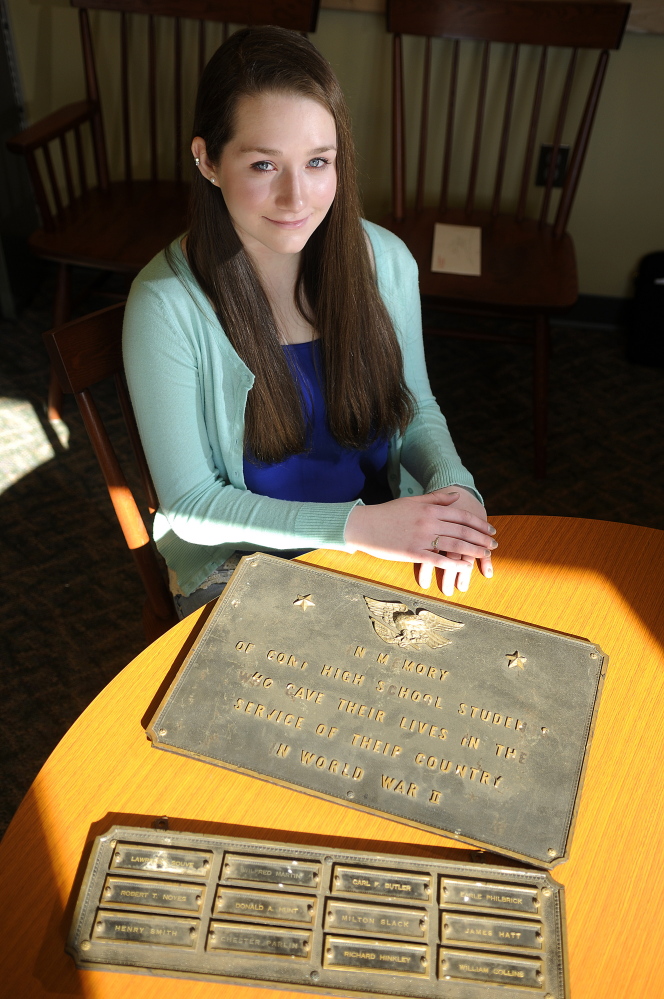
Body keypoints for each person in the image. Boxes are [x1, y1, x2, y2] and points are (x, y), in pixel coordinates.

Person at [123, 26, 497, 620]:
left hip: (379, 532)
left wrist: (455, 494)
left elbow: (416, 407)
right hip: (245, 559)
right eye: (265, 164)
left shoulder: (386, 261)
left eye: (318, 161)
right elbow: (191, 503)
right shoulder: (164, 304)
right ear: (208, 160)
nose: (297, 198)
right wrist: (359, 528)